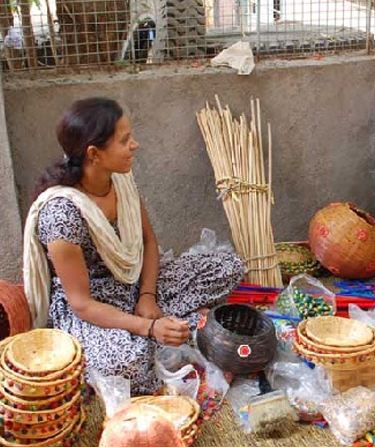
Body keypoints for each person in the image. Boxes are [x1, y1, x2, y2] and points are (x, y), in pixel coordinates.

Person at [23, 97, 245, 395]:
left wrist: (148, 297)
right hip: (94, 307)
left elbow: (148, 241)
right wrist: (151, 327)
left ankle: (163, 325)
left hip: (133, 282)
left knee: (227, 267)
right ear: (94, 154)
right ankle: (166, 329)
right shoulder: (63, 214)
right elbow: (82, 304)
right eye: (124, 140)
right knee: (126, 365)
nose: (135, 145)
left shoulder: (121, 181)